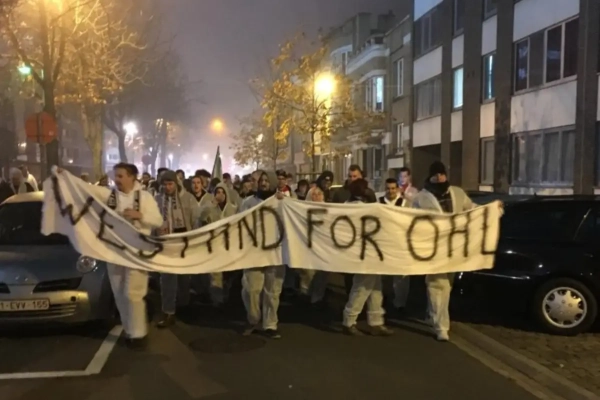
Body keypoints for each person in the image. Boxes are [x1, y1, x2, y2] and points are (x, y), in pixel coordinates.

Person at [58, 163, 162, 349]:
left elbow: (158, 220)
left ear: (132, 177)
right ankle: (130, 330)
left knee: (133, 293)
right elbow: (87, 190)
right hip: (114, 252)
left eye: (121, 176)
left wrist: (140, 215)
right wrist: (66, 177)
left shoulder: (145, 197)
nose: (117, 180)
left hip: (137, 253)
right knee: (119, 292)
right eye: (116, 176)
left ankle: (139, 334)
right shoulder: (109, 196)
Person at [411, 161, 496, 342]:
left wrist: (491, 210)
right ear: (430, 176)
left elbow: (471, 209)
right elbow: (412, 221)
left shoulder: (457, 193)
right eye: (436, 174)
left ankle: (432, 314)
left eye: (441, 174)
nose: (439, 177)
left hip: (454, 248)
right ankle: (441, 326)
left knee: (447, 285)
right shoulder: (421, 198)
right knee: (437, 284)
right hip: (433, 249)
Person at [342, 178, 393, 337]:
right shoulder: (362, 207)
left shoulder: (349, 206)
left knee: (375, 287)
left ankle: (376, 320)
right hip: (364, 252)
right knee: (362, 286)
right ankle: (349, 320)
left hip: (368, 252)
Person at [240, 170, 286, 339]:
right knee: (251, 289)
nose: (264, 183)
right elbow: (239, 224)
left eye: (267, 180)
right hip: (254, 253)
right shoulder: (248, 203)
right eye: (262, 180)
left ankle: (270, 324)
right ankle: (253, 318)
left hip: (276, 253)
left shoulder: (282, 202)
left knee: (272, 292)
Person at [154, 170, 200, 328]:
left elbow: (195, 220)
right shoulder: (158, 200)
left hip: (183, 244)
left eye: (170, 184)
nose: (168, 187)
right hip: (166, 244)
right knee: (167, 279)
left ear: (176, 183)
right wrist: (156, 232)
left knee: (183, 278)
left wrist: (193, 239)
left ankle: (183, 305)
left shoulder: (187, 198)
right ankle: (168, 311)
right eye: (165, 184)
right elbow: (152, 220)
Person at [379, 178, 416, 315]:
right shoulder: (379, 203)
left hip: (401, 245)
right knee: (384, 276)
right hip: (384, 244)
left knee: (401, 276)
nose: (391, 191)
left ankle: (400, 304)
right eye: (388, 188)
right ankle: (385, 301)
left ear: (398, 189)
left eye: (393, 188)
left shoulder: (406, 203)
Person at [200, 182, 239, 306]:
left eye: (222, 192)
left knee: (228, 274)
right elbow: (201, 219)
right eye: (218, 192)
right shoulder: (209, 207)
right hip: (215, 245)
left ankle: (226, 295)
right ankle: (217, 300)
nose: (220, 195)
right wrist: (210, 207)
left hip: (229, 246)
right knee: (215, 274)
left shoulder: (233, 209)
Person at [298, 186, 329, 305]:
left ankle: (318, 298)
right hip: (309, 247)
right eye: (313, 194)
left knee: (321, 273)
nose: (316, 197)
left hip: (323, 247)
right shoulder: (302, 210)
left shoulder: (330, 210)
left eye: (319, 194)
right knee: (308, 273)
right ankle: (305, 293)